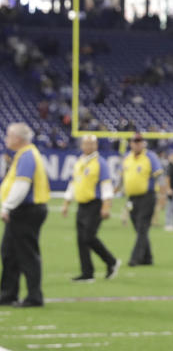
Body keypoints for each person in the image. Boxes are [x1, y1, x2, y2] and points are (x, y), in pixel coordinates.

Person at [0, 123, 50, 307]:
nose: (6, 139)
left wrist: (6, 206)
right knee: (9, 252)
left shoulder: (27, 155)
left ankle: (34, 297)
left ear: (18, 139)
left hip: (27, 211)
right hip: (21, 211)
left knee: (27, 254)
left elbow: (22, 185)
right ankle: (8, 293)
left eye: (9, 136)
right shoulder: (23, 154)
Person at [61, 135, 120, 281]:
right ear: (82, 145)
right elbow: (73, 183)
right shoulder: (79, 162)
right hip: (82, 204)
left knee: (89, 237)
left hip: (95, 204)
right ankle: (87, 273)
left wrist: (106, 206)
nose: (89, 146)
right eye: (86, 144)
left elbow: (106, 186)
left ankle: (111, 261)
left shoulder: (100, 163)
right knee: (81, 240)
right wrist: (66, 203)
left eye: (92, 144)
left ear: (96, 145)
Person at [121, 133, 163, 266]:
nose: (137, 144)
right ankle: (148, 258)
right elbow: (123, 176)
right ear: (131, 143)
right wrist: (116, 189)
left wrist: (162, 195)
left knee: (142, 227)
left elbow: (159, 176)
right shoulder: (127, 158)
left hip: (147, 196)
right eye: (135, 141)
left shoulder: (150, 156)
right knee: (139, 228)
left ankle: (135, 258)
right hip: (132, 198)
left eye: (139, 141)